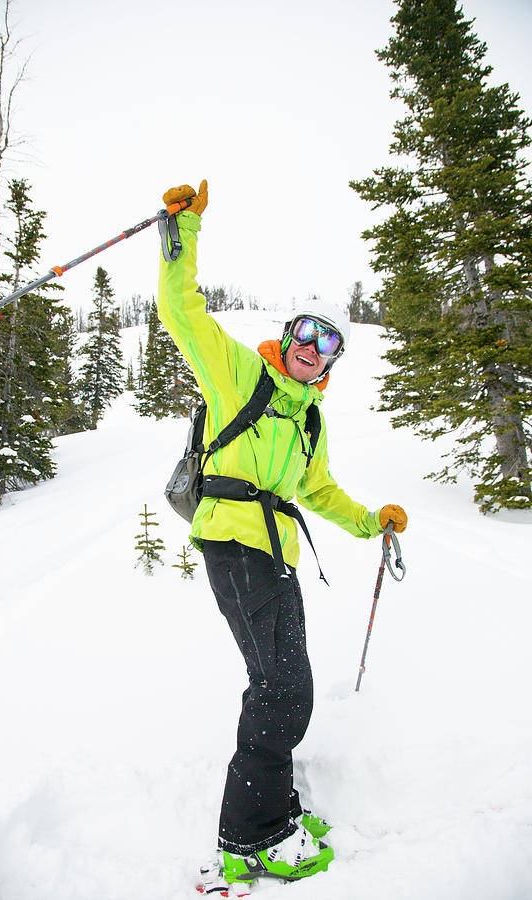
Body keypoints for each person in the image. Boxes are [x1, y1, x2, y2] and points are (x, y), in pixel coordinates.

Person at [157, 179, 407, 891]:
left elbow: (317, 490)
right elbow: (181, 311)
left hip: (278, 552)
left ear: (333, 360)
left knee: (284, 685)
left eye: (329, 341)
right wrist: (183, 235)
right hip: (233, 542)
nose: (313, 346)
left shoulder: (308, 420)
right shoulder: (241, 375)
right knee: (281, 690)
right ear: (289, 335)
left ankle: (278, 808)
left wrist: (371, 521)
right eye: (307, 331)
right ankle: (250, 835)